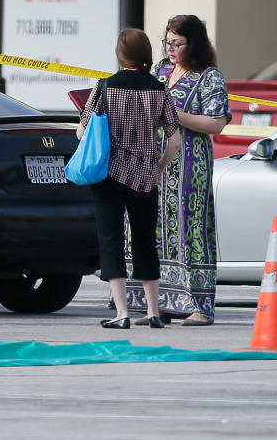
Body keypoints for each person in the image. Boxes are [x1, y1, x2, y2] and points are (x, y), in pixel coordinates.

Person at [126, 15, 230, 326]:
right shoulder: (159, 70)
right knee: (151, 229)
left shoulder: (209, 77)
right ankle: (157, 305)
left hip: (189, 166)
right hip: (152, 163)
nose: (170, 49)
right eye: (167, 42)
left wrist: (173, 114)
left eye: (178, 43)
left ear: (193, 44)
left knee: (190, 229)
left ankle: (199, 306)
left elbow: (217, 123)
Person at [78, 28, 181, 329]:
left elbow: (81, 131)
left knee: (111, 240)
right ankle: (152, 311)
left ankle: (122, 313)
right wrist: (158, 169)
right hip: (146, 176)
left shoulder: (105, 88)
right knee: (146, 240)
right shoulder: (159, 90)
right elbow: (174, 142)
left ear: (119, 55)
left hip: (109, 174)